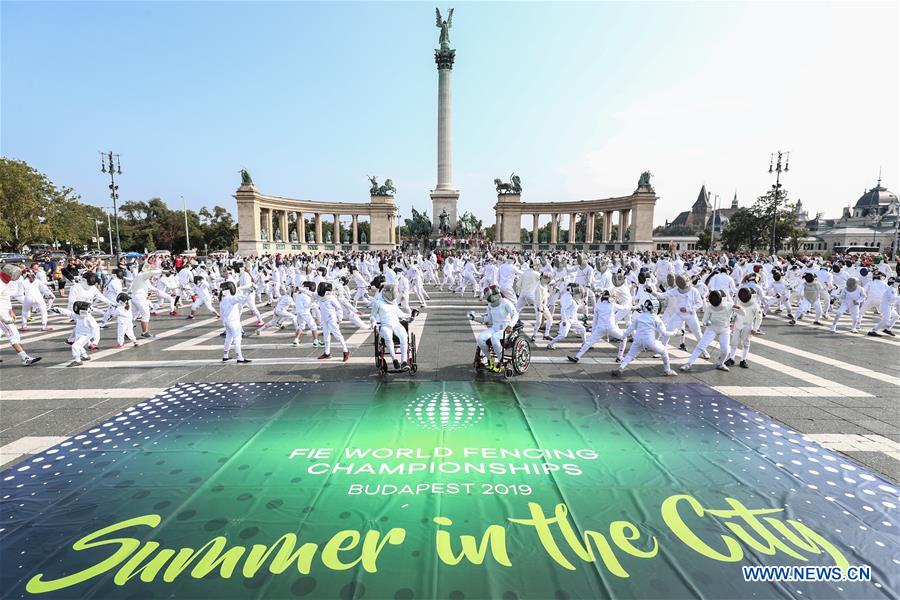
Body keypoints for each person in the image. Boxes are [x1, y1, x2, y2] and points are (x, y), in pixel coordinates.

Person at [613, 298, 678, 377]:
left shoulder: (639, 317)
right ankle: (667, 370)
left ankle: (621, 368)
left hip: (638, 339)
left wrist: (623, 336)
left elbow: (630, 329)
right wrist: (675, 332)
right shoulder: (656, 319)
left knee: (630, 355)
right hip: (650, 341)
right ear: (655, 308)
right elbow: (664, 333)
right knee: (664, 351)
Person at [470, 285, 519, 373]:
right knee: (480, 338)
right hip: (495, 328)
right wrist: (475, 318)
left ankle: (501, 362)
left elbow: (515, 314)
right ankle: (490, 359)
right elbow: (488, 319)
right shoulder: (490, 305)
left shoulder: (505, 302)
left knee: (494, 338)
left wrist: (511, 325)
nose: (491, 301)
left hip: (505, 329)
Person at [681, 290, 734, 372]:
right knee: (701, 346)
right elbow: (704, 320)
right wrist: (707, 323)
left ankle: (720, 363)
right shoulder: (710, 308)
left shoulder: (730, 305)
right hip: (712, 329)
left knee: (726, 350)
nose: (714, 300)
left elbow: (742, 314)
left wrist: (739, 309)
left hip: (725, 330)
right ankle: (688, 364)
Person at [568, 290, 626, 363]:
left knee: (589, 342)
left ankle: (577, 357)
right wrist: (634, 307)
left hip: (600, 328)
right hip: (611, 328)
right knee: (624, 338)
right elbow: (624, 308)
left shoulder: (598, 306)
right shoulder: (613, 305)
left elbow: (594, 320)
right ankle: (619, 357)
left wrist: (593, 331)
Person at [0, 264, 41, 366]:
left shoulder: (4, 283)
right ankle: (25, 358)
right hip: (2, 314)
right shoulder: (0, 284)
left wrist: (10, 311)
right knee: (13, 335)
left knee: (12, 334)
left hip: (5, 312)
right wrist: (3, 317)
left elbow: (5, 299)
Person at [371, 283, 414, 371]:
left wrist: (410, 315)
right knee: (388, 336)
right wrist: (373, 322)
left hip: (396, 324)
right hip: (385, 325)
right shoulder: (378, 302)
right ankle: (394, 359)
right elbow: (372, 315)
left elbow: (400, 314)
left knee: (404, 336)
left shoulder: (393, 303)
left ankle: (404, 361)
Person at [218, 280, 253, 363]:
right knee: (237, 339)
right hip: (233, 322)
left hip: (226, 322)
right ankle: (239, 357)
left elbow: (238, 296)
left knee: (228, 338)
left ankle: (225, 356)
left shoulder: (222, 298)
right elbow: (240, 298)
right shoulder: (230, 298)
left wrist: (246, 290)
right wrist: (249, 291)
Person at [51, 301, 94, 367]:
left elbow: (95, 328)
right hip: (80, 333)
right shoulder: (78, 315)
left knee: (75, 346)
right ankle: (85, 356)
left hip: (86, 335)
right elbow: (69, 313)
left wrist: (95, 340)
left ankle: (78, 360)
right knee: (79, 345)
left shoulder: (88, 318)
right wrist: (58, 309)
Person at [724, 286, 758, 368]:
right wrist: (732, 319)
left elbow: (759, 317)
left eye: (745, 294)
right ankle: (731, 358)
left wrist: (755, 328)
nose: (743, 296)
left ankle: (743, 360)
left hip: (747, 326)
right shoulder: (739, 302)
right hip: (737, 325)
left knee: (746, 344)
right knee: (734, 342)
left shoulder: (755, 305)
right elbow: (735, 312)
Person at [316, 281, 350, 362]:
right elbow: (310, 293)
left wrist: (340, 318)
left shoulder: (331, 298)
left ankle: (346, 351)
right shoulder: (319, 297)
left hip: (332, 319)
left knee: (337, 335)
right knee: (326, 336)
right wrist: (300, 288)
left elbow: (339, 308)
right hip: (324, 319)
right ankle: (327, 353)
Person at [547, 283, 588, 350]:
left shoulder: (573, 298)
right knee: (563, 335)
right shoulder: (569, 299)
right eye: (580, 294)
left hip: (572, 320)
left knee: (583, 329)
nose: (581, 296)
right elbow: (563, 309)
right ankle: (550, 344)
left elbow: (574, 307)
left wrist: (582, 304)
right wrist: (564, 320)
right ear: (577, 294)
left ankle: (584, 344)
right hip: (567, 320)